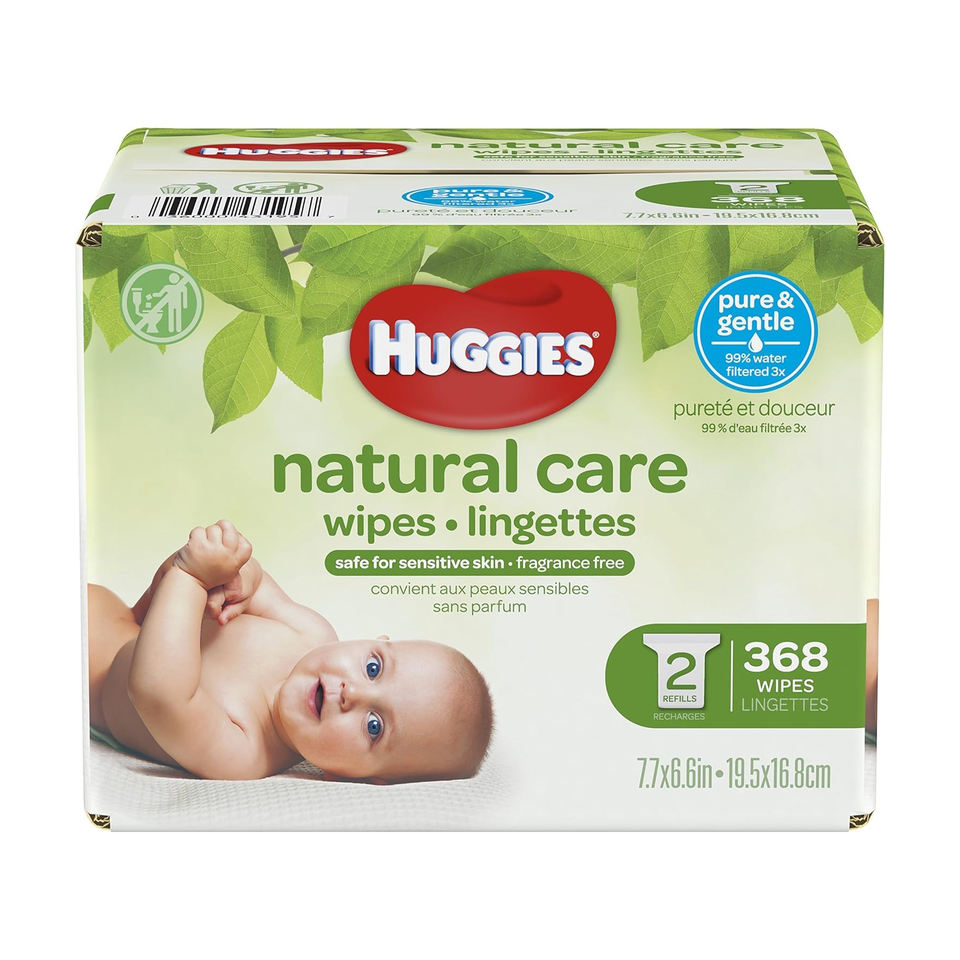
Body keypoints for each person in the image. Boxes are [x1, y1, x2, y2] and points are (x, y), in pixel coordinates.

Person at [88, 520, 493, 783]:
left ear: (355, 777)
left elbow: (158, 693)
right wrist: (237, 576)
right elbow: (258, 587)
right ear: (375, 640)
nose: (352, 693)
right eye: (373, 668)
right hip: (123, 614)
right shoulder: (311, 634)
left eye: (374, 726)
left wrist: (191, 577)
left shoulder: (243, 753)